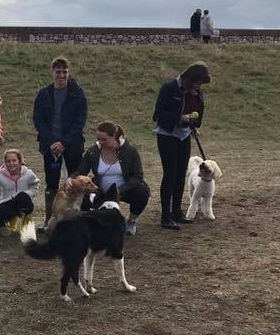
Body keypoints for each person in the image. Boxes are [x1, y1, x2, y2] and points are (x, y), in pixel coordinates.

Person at [32, 56, 88, 231]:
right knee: (52, 183)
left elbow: (80, 121)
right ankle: (49, 220)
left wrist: (64, 142)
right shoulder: (44, 94)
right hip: (50, 147)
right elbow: (38, 119)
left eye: (65, 72)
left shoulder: (78, 93)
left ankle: (76, 220)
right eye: (58, 72)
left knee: (76, 183)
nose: (61, 75)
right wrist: (51, 141)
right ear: (52, 72)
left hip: (72, 145)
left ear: (68, 72)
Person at [153, 61, 211, 230]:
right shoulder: (169, 88)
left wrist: (193, 124)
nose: (198, 87)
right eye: (197, 83)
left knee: (180, 174)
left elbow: (198, 114)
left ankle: (176, 211)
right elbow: (158, 114)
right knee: (170, 174)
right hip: (167, 135)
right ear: (188, 79)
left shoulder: (196, 93)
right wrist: (180, 118)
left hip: (184, 136)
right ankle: (165, 217)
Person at [71, 121, 150, 236]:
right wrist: (71, 179)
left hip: (124, 191)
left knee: (142, 192)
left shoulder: (130, 151)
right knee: (84, 195)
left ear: (113, 136)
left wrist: (121, 190)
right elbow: (81, 170)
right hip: (100, 190)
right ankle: (89, 223)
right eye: (98, 139)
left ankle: (131, 221)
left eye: (104, 139)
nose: (100, 142)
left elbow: (138, 176)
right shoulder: (93, 151)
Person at [0, 149, 40, 235]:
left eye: (14, 160)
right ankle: (6, 225)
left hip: (24, 202)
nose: (11, 163)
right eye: (8, 161)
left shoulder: (28, 174)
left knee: (22, 196)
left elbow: (35, 186)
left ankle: (27, 226)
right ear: (5, 163)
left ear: (20, 161)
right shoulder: (1, 175)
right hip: (8, 202)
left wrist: (28, 194)